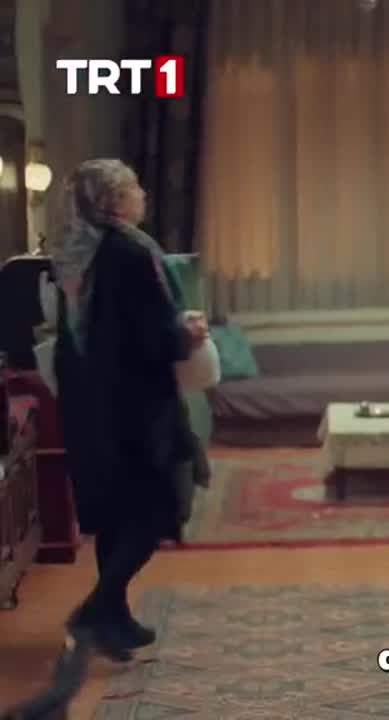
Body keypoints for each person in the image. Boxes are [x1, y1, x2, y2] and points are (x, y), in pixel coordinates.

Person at [52, 159, 209, 661]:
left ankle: (114, 618)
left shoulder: (78, 253)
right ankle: (96, 611)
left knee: (117, 512)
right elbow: (153, 337)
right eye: (134, 188)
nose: (143, 194)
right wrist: (189, 334)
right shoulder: (130, 253)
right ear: (114, 201)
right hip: (136, 404)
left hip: (89, 402)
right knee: (160, 506)